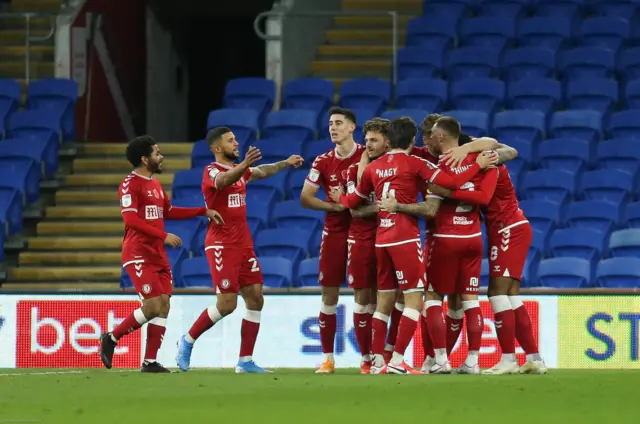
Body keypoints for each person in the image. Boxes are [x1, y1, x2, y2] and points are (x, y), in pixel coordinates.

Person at [333, 117, 496, 374]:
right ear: (411, 140)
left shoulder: (374, 168)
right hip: (405, 238)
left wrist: (339, 197)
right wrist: (477, 164)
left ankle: (377, 363)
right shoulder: (416, 162)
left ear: (388, 141)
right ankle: (397, 360)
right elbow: (451, 184)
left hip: (381, 239)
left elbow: (354, 201)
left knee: (383, 301)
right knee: (413, 300)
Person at [175, 127, 303, 373]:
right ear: (216, 148)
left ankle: (245, 361)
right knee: (226, 304)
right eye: (230, 141)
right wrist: (244, 164)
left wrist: (285, 163)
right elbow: (223, 181)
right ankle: (187, 340)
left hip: (244, 244)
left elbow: (262, 171)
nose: (236, 143)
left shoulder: (241, 172)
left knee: (255, 298)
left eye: (235, 139)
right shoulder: (211, 171)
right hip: (221, 244)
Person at [381, 117, 498, 374]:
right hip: (473, 237)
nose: (428, 140)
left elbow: (435, 197)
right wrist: (474, 154)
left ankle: (440, 359)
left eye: (431, 135)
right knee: (471, 299)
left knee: (432, 297)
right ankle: (473, 361)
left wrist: (446, 192)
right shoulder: (482, 160)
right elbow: (486, 193)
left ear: (441, 137)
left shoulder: (436, 166)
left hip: (444, 238)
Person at [99, 135, 224, 373]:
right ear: (145, 159)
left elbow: (168, 211)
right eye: (157, 153)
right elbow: (131, 219)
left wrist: (203, 211)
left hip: (157, 254)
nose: (161, 156)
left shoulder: (155, 185)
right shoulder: (130, 184)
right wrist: (162, 235)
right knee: (153, 305)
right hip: (138, 252)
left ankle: (150, 362)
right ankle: (111, 338)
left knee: (164, 304)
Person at [300, 107, 365, 374]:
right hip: (335, 231)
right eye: (330, 124)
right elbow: (306, 197)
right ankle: (328, 359)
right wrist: (336, 207)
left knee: (365, 294)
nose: (333, 128)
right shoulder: (322, 161)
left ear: (352, 127)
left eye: (339, 123)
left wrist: (350, 203)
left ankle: (368, 358)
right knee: (329, 293)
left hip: (363, 230)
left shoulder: (367, 155)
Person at [344, 118, 391, 374]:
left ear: (387, 142)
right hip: (362, 240)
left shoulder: (397, 167)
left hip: (391, 238)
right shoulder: (353, 171)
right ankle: (366, 357)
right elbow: (355, 211)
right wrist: (384, 206)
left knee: (392, 298)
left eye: (374, 140)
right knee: (363, 300)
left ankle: (387, 355)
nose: (368, 145)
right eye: (367, 140)